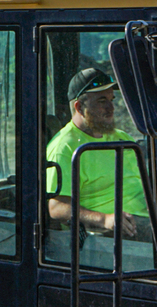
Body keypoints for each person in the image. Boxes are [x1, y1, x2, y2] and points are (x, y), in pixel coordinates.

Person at [46, 67, 149, 238]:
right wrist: (105, 219)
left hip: (148, 215)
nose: (111, 108)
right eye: (102, 101)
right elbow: (57, 207)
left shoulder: (121, 138)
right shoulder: (65, 148)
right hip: (111, 232)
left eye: (111, 99)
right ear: (79, 107)